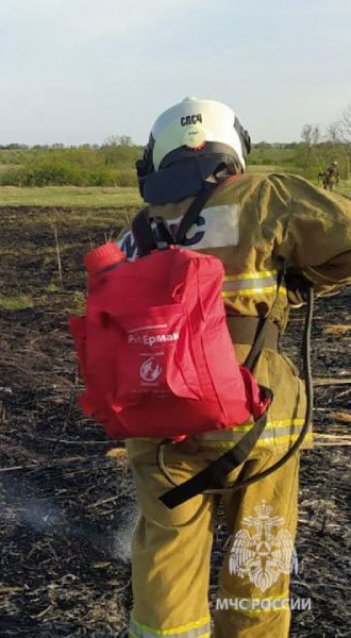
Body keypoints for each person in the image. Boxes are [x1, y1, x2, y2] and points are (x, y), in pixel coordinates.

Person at [117, 97, 351, 638]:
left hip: (159, 421)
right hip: (258, 414)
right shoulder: (265, 196)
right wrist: (302, 279)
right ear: (231, 147)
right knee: (258, 557)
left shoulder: (135, 233)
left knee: (167, 560)